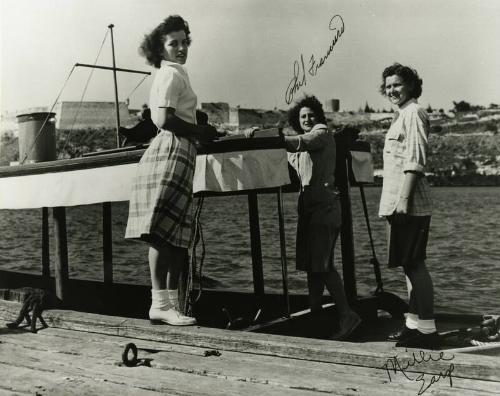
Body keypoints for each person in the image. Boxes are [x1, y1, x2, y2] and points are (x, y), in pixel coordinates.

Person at [125, 15, 217, 326]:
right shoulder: (170, 75)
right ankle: (159, 304)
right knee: (163, 233)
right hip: (172, 150)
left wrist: (199, 131)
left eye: (183, 42)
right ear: (160, 48)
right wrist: (200, 131)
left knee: (176, 235)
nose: (180, 48)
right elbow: (162, 120)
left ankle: (172, 306)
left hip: (182, 151)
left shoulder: (177, 74)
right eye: (172, 43)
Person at [283, 95, 361, 340]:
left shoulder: (321, 134)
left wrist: (276, 139)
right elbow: (290, 150)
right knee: (312, 266)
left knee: (323, 265)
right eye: (302, 116)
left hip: (325, 208)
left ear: (318, 117)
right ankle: (316, 315)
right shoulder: (301, 144)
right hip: (310, 209)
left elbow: (300, 141)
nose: (307, 119)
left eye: (311, 115)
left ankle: (348, 315)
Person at [378, 63, 438, 348]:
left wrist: (403, 200)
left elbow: (415, 161)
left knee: (415, 264)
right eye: (388, 86)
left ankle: (427, 330)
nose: (392, 90)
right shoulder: (401, 115)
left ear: (411, 86)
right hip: (397, 203)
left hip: (409, 204)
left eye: (397, 85)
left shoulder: (413, 113)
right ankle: (414, 325)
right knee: (408, 265)